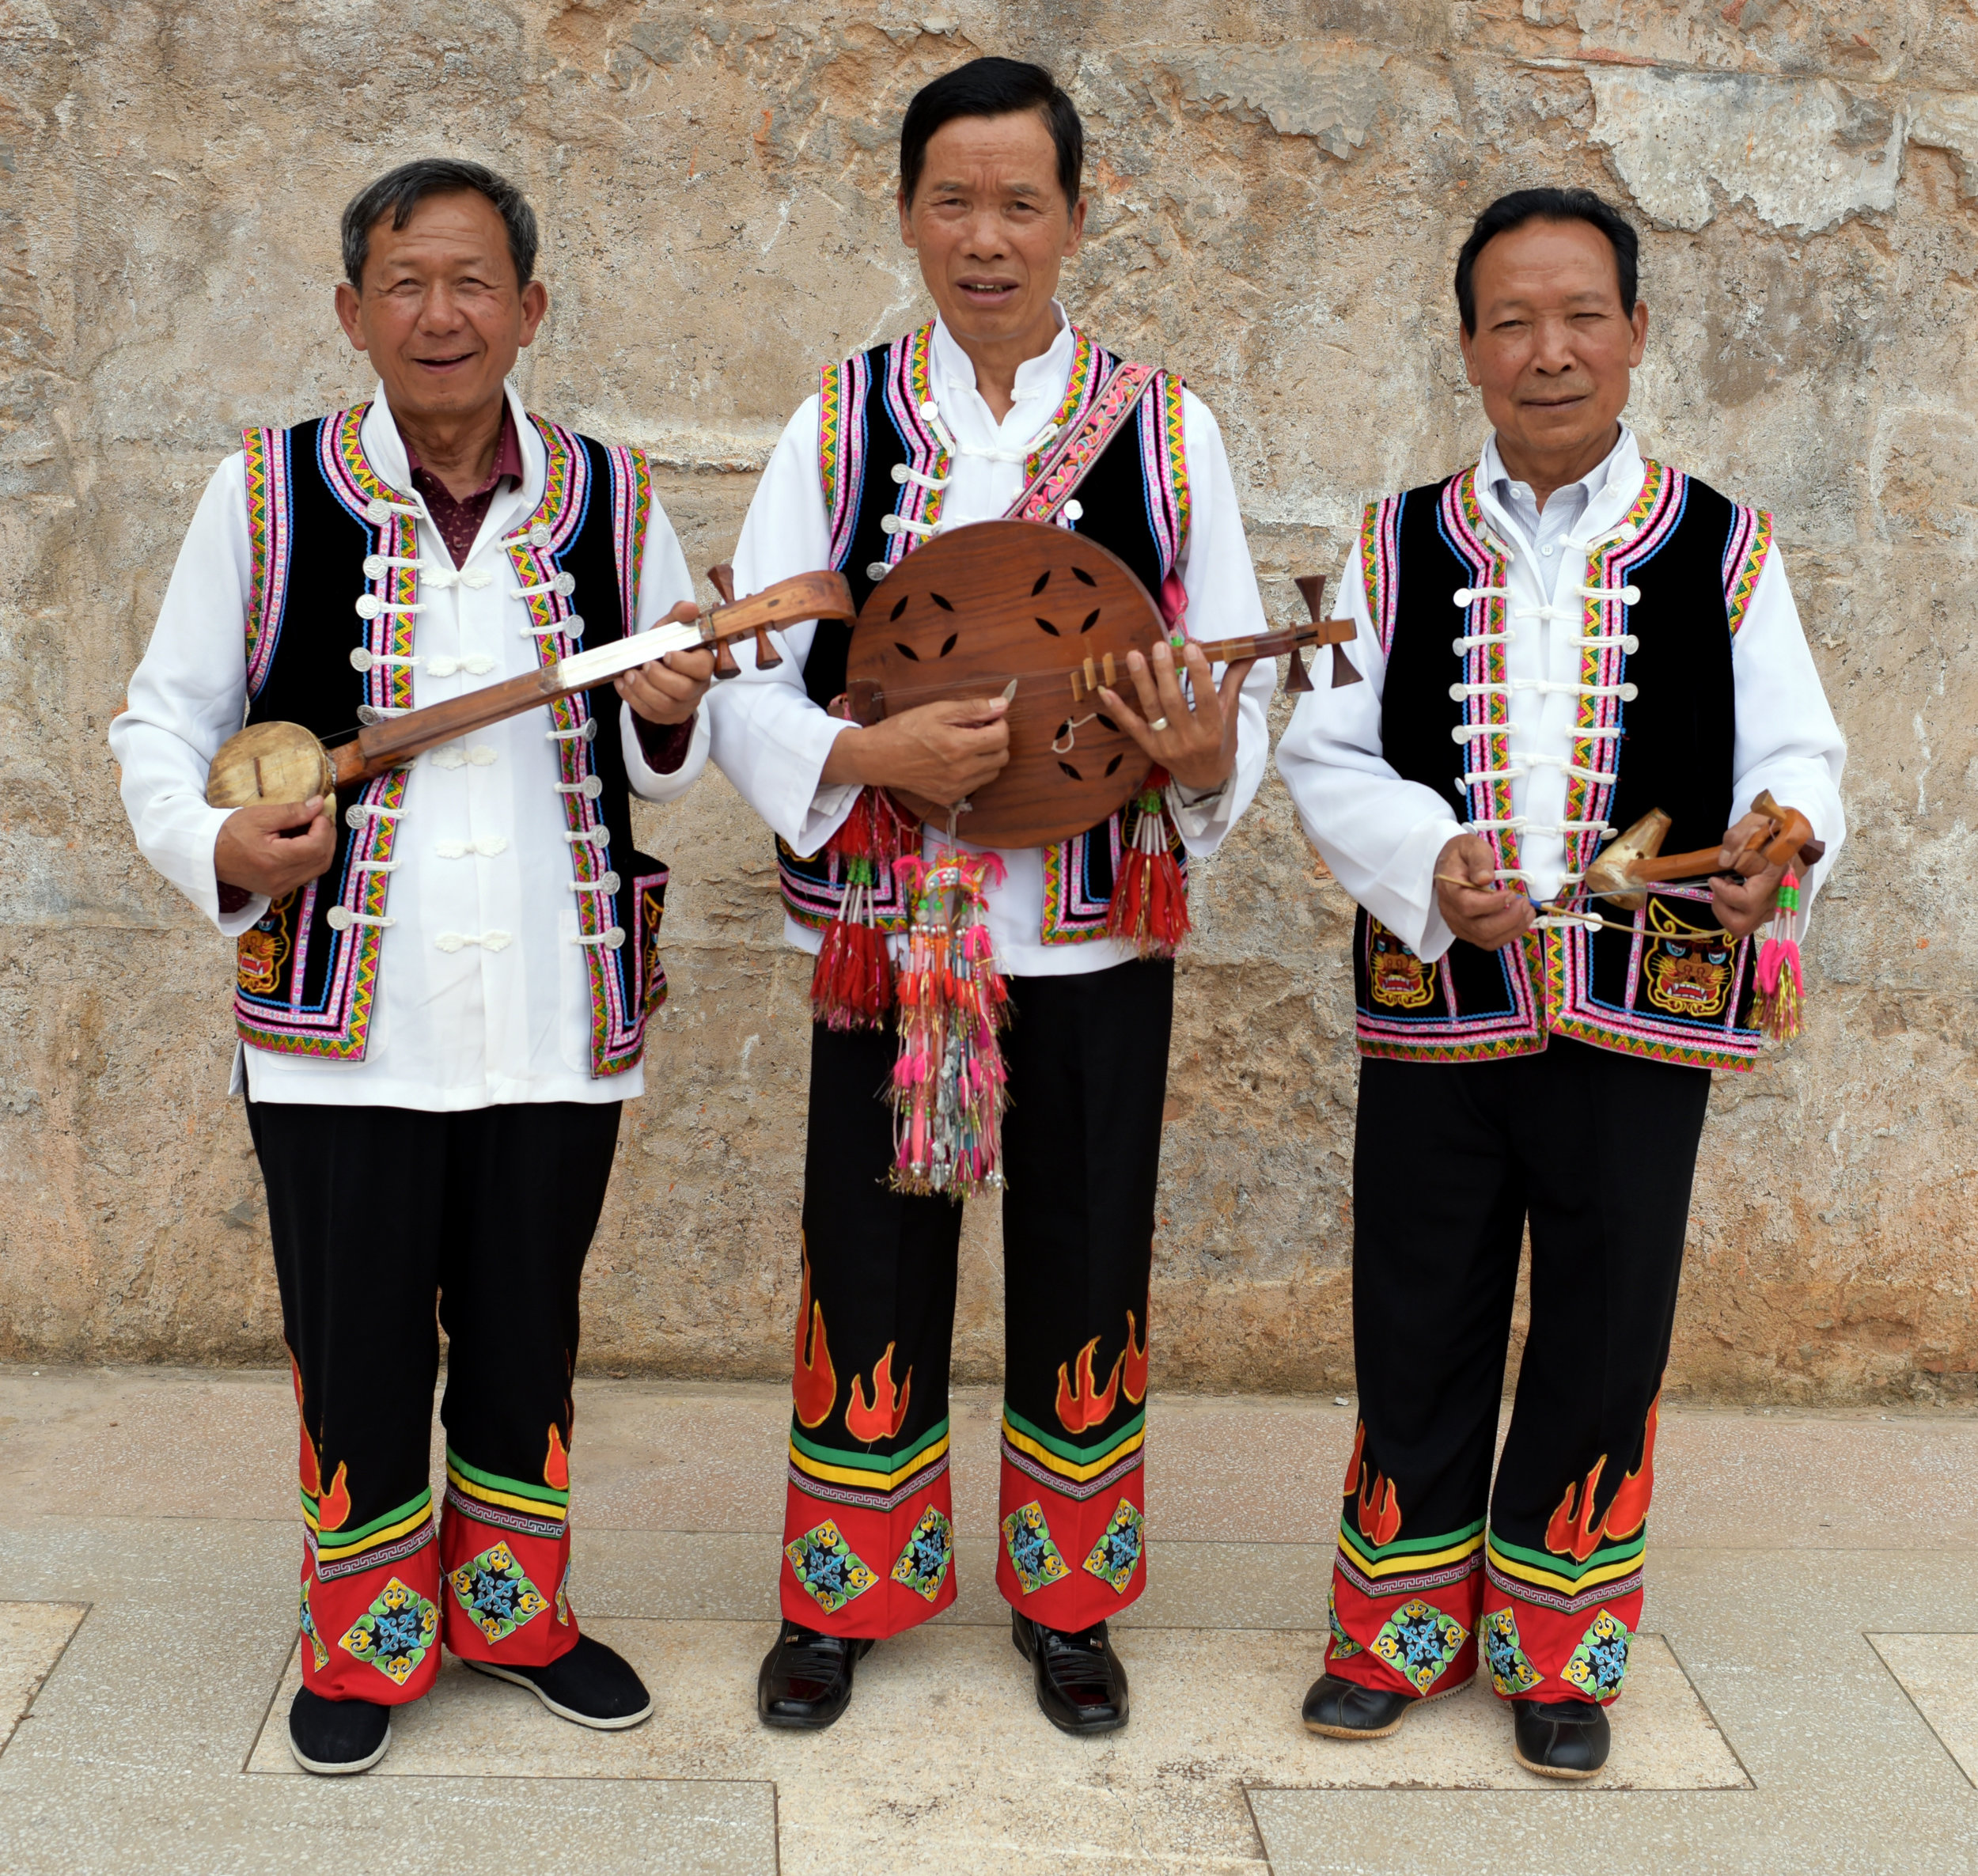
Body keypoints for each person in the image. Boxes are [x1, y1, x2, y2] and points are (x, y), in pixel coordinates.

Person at [110, 159, 714, 1775]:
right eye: (403, 282)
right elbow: (157, 724)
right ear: (350, 313)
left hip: (550, 1009)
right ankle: (365, 1634)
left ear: (529, 309)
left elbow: (663, 740)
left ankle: (515, 1611)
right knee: (357, 1324)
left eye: (470, 282)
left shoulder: (612, 495)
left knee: (527, 1324)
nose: (438, 315)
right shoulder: (262, 492)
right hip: (338, 1027)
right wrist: (221, 850)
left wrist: (673, 713)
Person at [707, 58, 1274, 1736]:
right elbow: (741, 671)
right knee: (867, 1251)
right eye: (950, 199)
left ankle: (1067, 1593)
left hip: (1094, 923)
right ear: (903, 215)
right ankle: (843, 1591)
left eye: (1020, 200)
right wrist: (866, 754)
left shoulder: (1166, 432)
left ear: (1077, 219)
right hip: (889, 936)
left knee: (1087, 1250)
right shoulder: (839, 420)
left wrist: (1191, 751)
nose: (984, 235)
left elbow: (1236, 678)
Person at [1275, 188, 1845, 1779]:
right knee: (1414, 1306)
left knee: (1603, 1324)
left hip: (1637, 1010)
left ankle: (1553, 1643)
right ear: (1465, 346)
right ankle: (1389, 1629)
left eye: (1580, 315)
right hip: (1437, 1006)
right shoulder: (1391, 539)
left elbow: (1792, 750)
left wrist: (1774, 848)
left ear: (1634, 335)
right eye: (1511, 320)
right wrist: (1422, 861)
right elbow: (1324, 751)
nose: (1548, 350)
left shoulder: (1722, 544)